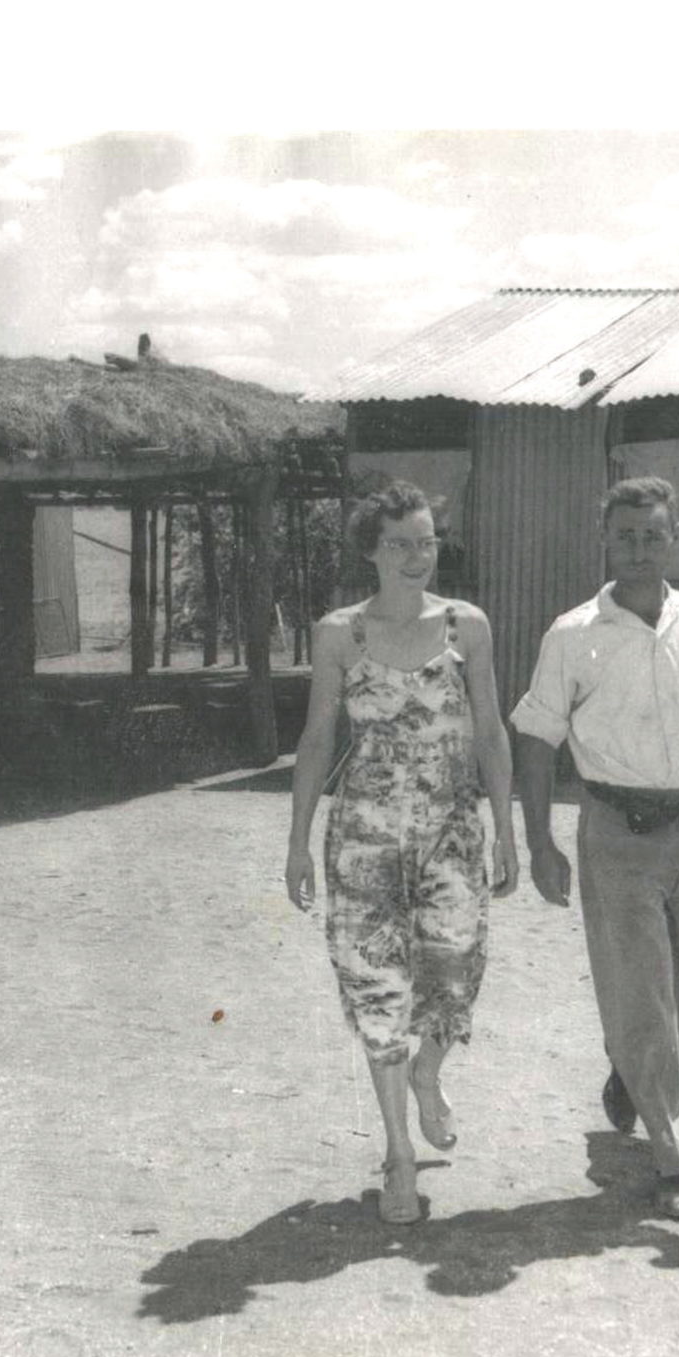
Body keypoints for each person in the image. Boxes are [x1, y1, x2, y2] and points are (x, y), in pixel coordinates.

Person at [511, 477, 679, 1221]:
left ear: (674, 536)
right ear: (605, 539)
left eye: (651, 534)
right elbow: (536, 740)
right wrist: (540, 843)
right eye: (624, 535)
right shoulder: (572, 635)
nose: (637, 548)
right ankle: (673, 1154)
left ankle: (632, 1074)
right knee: (640, 996)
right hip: (614, 833)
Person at [287, 482, 519, 1224]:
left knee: (454, 970)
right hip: (363, 840)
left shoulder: (466, 627)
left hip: (451, 833)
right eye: (400, 544)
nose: (417, 556)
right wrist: (297, 842)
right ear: (370, 550)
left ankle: (429, 1073)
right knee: (377, 994)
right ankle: (397, 1156)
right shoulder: (339, 635)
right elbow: (318, 739)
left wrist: (506, 828)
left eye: (427, 541)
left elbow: (490, 732)